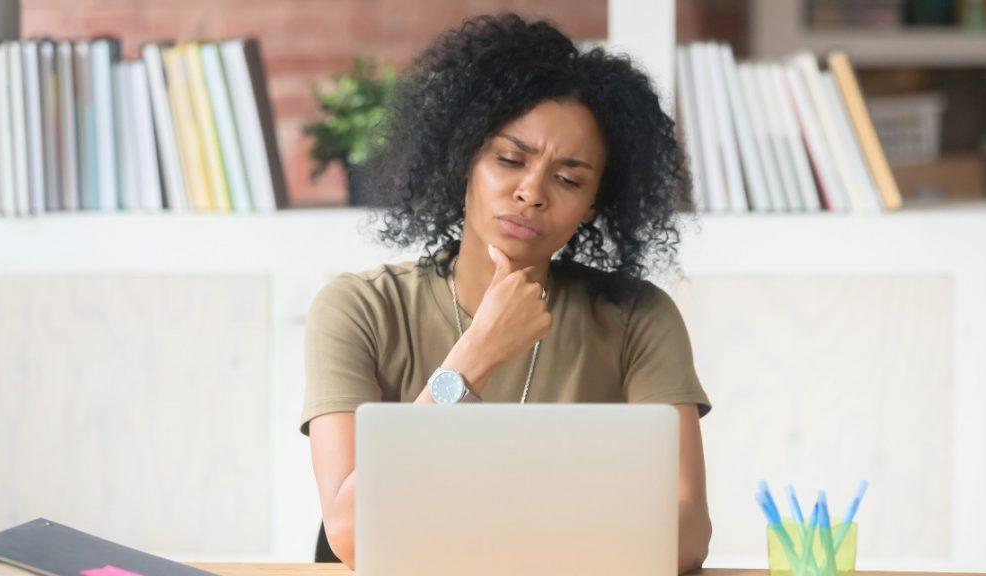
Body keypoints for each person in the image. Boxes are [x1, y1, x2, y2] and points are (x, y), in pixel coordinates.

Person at [300, 12, 713, 573]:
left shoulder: (637, 319)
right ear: (464, 157)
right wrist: (476, 355)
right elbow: (349, 533)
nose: (531, 193)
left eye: (568, 179)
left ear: (594, 205)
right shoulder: (360, 309)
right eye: (509, 160)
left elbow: (687, 534)